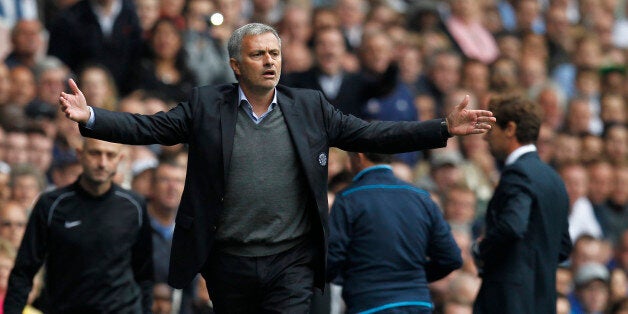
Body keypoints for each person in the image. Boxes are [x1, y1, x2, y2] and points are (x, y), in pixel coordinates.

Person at [58, 23, 494, 313]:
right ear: (235, 65)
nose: (269, 61)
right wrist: (92, 117)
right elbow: (148, 127)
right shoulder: (207, 105)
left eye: (274, 53)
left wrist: (442, 128)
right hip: (229, 260)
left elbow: (373, 135)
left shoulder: (310, 106)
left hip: (292, 260)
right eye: (258, 55)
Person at [4, 138, 154, 313]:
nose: (102, 163)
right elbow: (24, 271)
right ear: (80, 154)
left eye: (110, 155)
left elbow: (144, 274)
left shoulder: (134, 205)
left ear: (119, 160)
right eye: (95, 153)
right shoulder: (52, 204)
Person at [327, 152, 462, 313]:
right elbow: (451, 258)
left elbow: (331, 261)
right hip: (418, 304)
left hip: (370, 304)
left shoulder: (349, 198)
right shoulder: (421, 197)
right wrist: (412, 276)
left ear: (360, 156)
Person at [473, 95, 572, 314]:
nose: (486, 139)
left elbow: (512, 225)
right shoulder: (554, 178)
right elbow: (563, 246)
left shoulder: (517, 173)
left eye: (491, 130)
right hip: (543, 301)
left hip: (508, 301)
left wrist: (482, 247)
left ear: (510, 129)